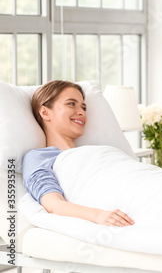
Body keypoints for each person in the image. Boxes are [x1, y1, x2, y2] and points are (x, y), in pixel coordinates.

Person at [23, 80, 135, 227]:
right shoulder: (38, 157)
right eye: (71, 104)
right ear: (45, 112)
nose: (82, 112)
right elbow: (54, 205)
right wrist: (99, 215)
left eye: (84, 107)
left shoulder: (97, 152)